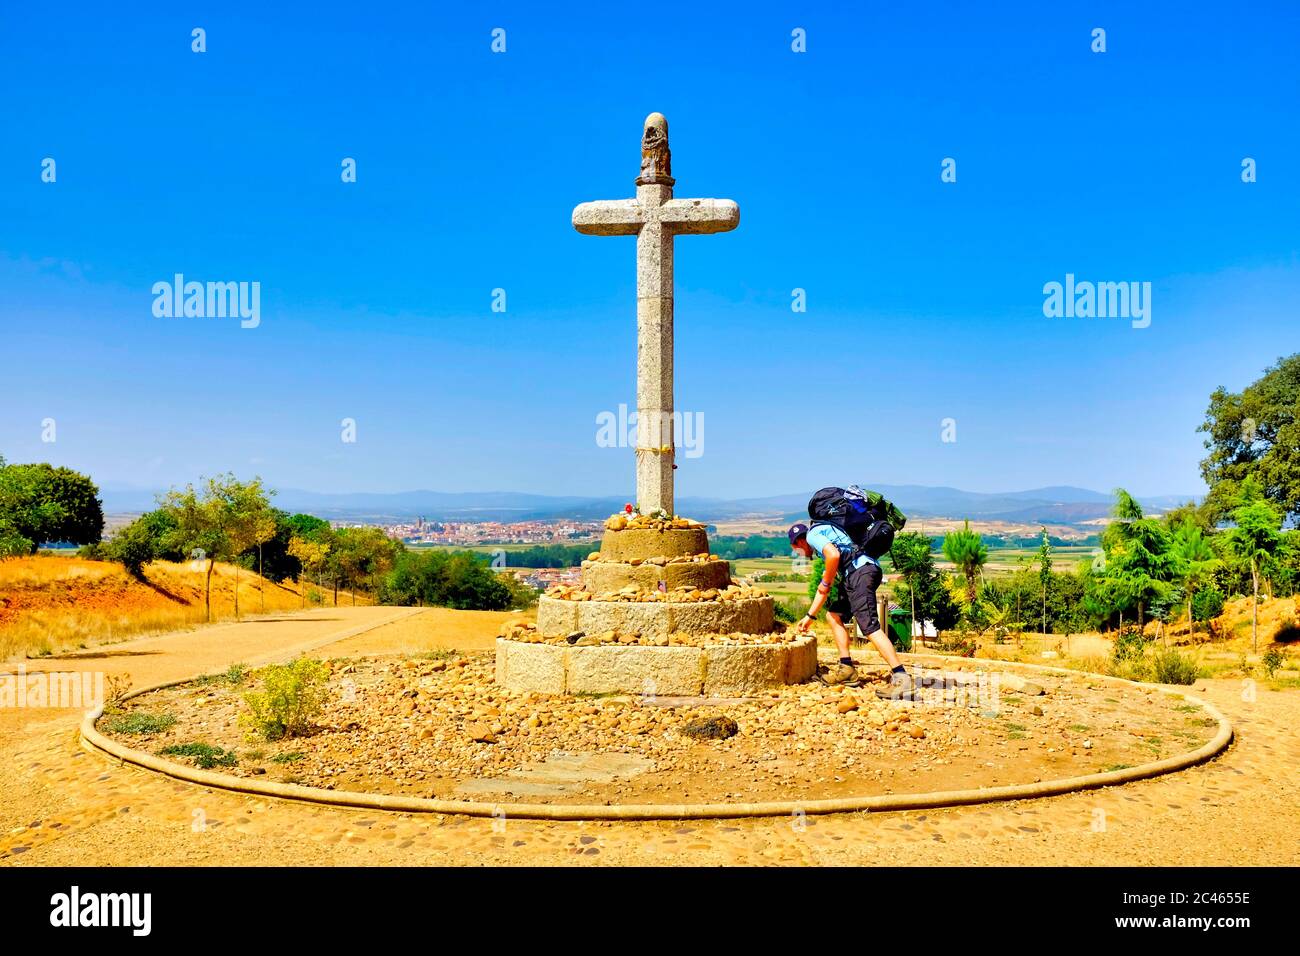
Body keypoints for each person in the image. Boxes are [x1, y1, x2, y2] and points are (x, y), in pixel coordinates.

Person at [789, 521, 917, 697]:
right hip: (859, 572)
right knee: (834, 615)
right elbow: (824, 588)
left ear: (798, 543)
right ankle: (847, 668)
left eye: (796, 550)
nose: (799, 554)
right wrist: (809, 616)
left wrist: (826, 581)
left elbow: (832, 558)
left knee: (869, 627)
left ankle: (902, 678)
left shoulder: (813, 536)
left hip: (860, 573)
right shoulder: (826, 534)